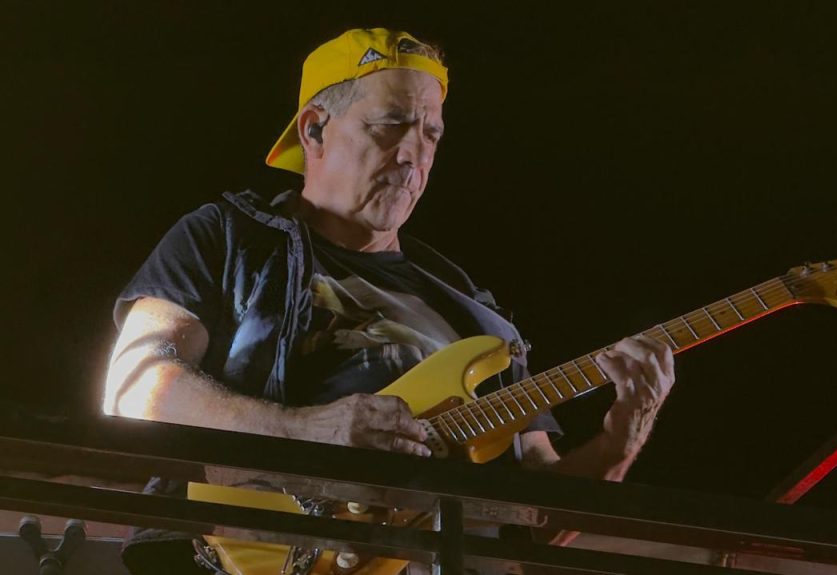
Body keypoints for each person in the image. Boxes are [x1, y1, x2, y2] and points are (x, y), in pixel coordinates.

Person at [104, 27, 676, 574]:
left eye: (431, 134)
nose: (413, 155)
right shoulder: (225, 235)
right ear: (314, 130)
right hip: (247, 558)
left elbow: (537, 520)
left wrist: (621, 438)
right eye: (390, 124)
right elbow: (137, 387)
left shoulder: (478, 316)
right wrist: (307, 432)